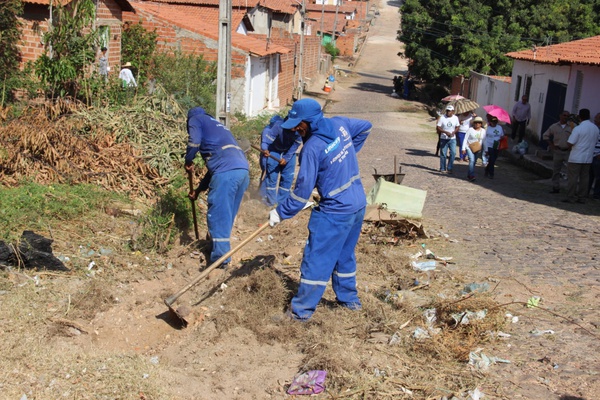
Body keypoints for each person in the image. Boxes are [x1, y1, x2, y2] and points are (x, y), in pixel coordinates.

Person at [268, 98, 372, 321]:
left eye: (299, 124)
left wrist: (280, 212)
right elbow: (365, 127)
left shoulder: (312, 148)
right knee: (344, 255)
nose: (296, 128)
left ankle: (300, 313)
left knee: (317, 259)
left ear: (310, 121)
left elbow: (301, 192)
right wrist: (344, 155)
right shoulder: (340, 124)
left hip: (336, 211)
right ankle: (349, 301)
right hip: (357, 205)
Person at [184, 106, 250, 267]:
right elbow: (213, 173)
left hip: (226, 173)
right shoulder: (217, 127)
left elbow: (194, 142)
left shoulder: (196, 119)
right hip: (242, 171)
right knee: (226, 216)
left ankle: (220, 261)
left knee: (219, 215)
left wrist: (188, 160)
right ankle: (216, 245)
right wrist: (198, 191)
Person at [259, 115, 302, 206]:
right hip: (274, 150)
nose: (296, 128)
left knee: (287, 177)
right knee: (271, 176)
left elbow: (295, 146)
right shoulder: (278, 127)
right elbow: (266, 142)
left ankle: (281, 202)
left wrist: (286, 158)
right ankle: (271, 202)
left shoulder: (299, 131)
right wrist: (265, 150)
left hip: (289, 152)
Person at [563, 109, 599, 204]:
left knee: (573, 178)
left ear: (579, 117)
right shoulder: (595, 128)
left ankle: (571, 196)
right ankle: (582, 197)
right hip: (588, 158)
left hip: (576, 157)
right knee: (585, 178)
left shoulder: (578, 128)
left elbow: (570, 143)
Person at [542, 110, 573, 194]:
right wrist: (551, 145)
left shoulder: (571, 127)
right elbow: (545, 135)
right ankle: (555, 187)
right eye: (564, 115)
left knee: (570, 171)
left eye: (567, 116)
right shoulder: (554, 126)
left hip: (567, 151)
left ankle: (569, 189)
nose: (565, 117)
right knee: (556, 171)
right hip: (558, 151)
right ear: (560, 116)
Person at [436, 104, 460, 173]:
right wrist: (445, 132)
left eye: (450, 111)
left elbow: (458, 126)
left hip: (452, 138)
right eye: (447, 111)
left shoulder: (455, 118)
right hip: (444, 138)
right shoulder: (442, 118)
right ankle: (442, 168)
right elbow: (438, 127)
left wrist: (454, 132)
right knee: (443, 153)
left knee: (453, 153)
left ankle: (449, 167)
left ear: (453, 111)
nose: (448, 112)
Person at [461, 116, 486, 181]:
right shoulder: (470, 130)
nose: (477, 124)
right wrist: (463, 148)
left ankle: (469, 174)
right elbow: (465, 139)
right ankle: (472, 175)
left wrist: (486, 150)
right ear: (474, 123)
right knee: (471, 160)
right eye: (476, 123)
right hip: (469, 147)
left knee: (474, 162)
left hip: (478, 148)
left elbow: (484, 141)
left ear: (481, 124)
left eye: (479, 123)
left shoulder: (483, 131)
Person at [483, 115, 505, 179]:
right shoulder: (488, 128)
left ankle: (487, 169)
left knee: (493, 159)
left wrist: (502, 137)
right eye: (493, 122)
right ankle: (491, 173)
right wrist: (485, 148)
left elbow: (502, 135)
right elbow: (484, 137)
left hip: (496, 145)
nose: (494, 123)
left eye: (495, 122)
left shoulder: (499, 127)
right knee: (492, 158)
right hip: (489, 145)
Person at [588, 113, 600, 200]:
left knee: (598, 177)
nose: (595, 119)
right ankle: (586, 192)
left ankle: (596, 194)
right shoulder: (593, 129)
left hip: (598, 156)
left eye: (597, 118)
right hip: (590, 155)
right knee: (589, 176)